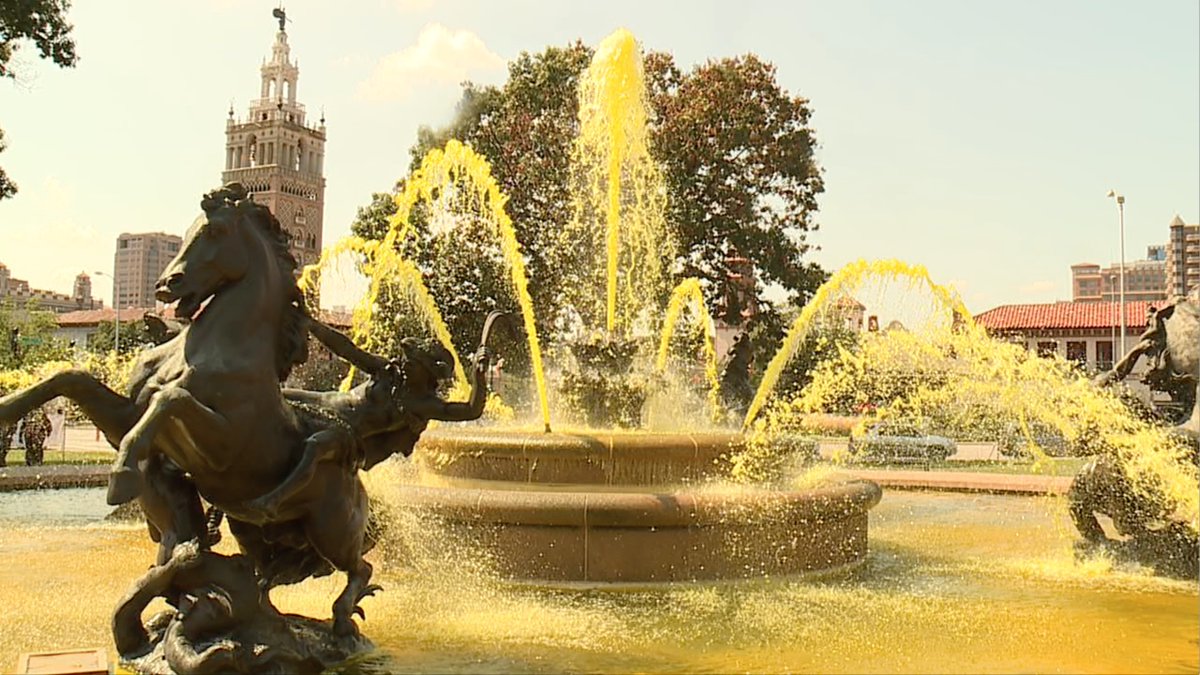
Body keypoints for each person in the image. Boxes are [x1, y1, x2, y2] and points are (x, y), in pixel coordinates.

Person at [248, 319, 488, 516]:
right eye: (408, 358)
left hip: (346, 434)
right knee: (269, 395)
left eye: (413, 362)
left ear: (428, 373)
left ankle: (273, 500)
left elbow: (471, 410)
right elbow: (347, 350)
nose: (406, 363)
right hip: (322, 403)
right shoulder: (388, 371)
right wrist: (311, 324)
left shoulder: (422, 404)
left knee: (314, 446)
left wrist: (479, 377)